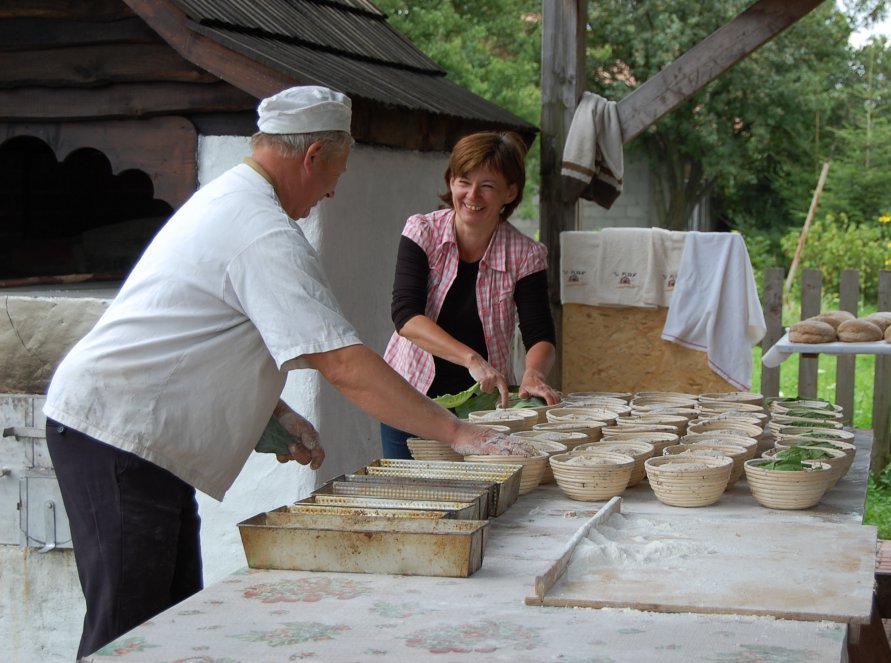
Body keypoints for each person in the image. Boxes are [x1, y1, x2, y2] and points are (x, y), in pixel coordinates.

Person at [43, 86, 529, 660]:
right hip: (115, 432)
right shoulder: (261, 229)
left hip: (141, 438)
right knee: (124, 637)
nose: (332, 190)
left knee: (169, 626)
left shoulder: (234, 202)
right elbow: (343, 364)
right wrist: (458, 434)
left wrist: (271, 414)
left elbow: (207, 332)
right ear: (313, 155)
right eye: (336, 174)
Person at [381, 131, 561, 459]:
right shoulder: (423, 231)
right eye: (464, 181)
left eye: (487, 186)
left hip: (482, 407)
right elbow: (405, 316)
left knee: (477, 499)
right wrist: (471, 359)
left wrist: (534, 372)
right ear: (451, 182)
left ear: (510, 192)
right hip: (409, 396)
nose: (472, 195)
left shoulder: (525, 253)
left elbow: (540, 334)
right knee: (411, 496)